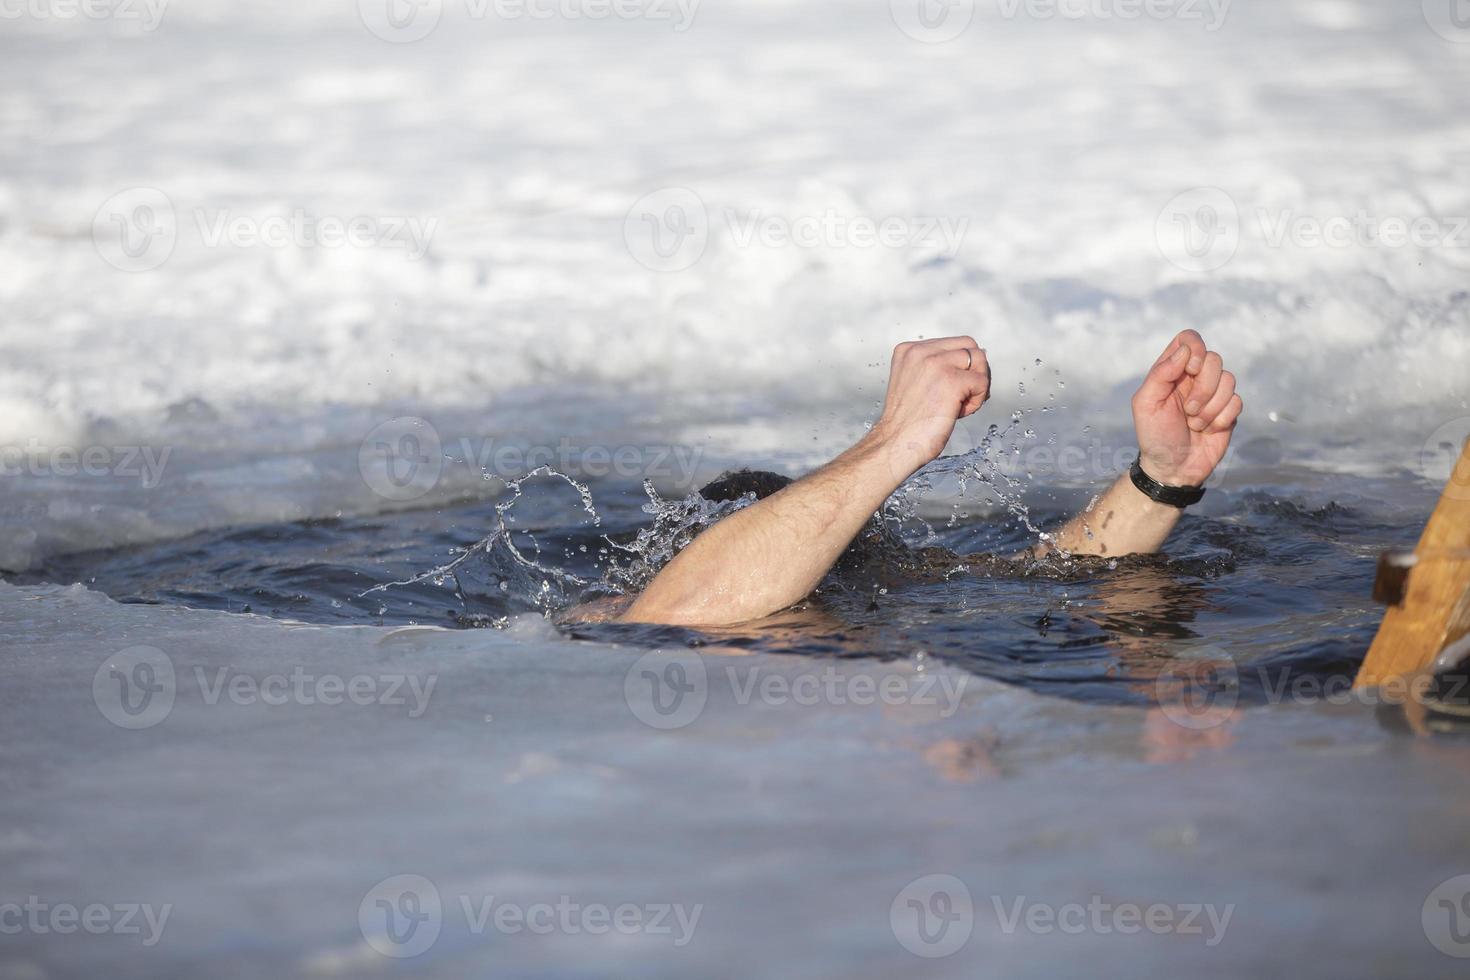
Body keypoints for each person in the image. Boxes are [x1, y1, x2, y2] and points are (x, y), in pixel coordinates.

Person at [592, 330, 1242, 628]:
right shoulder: (608, 619)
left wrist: (1163, 478)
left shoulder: (884, 584)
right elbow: (673, 619)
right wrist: (893, 443)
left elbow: (1055, 568)